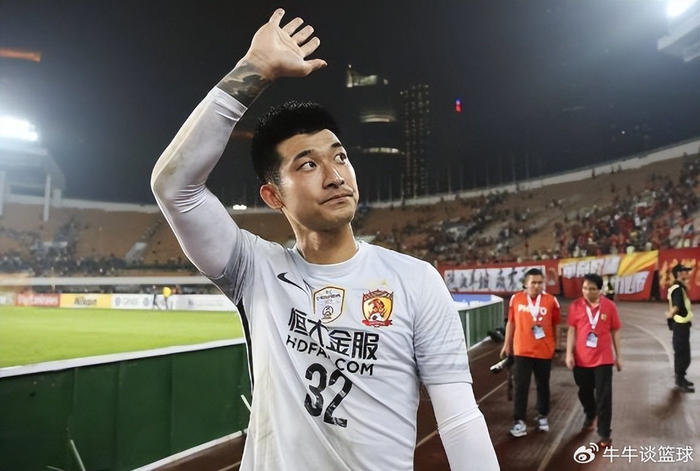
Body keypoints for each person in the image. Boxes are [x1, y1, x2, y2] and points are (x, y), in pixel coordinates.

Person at [151, 9, 499, 471]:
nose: (335, 176)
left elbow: (458, 421)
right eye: (308, 165)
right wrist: (253, 69)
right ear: (273, 195)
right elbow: (173, 187)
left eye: (341, 157)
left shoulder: (416, 281)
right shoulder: (255, 271)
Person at [500, 268, 560, 437]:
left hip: (544, 351)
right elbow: (511, 322)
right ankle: (519, 421)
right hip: (521, 350)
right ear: (526, 284)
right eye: (533, 282)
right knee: (521, 387)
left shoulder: (551, 300)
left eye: (540, 282)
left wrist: (555, 345)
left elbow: (556, 324)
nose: (536, 285)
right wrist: (507, 344)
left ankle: (542, 416)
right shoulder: (516, 299)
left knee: (543, 385)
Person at [565, 273, 622, 448]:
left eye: (591, 289)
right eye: (584, 288)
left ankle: (604, 432)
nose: (587, 292)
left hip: (603, 358)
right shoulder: (575, 306)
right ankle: (590, 413)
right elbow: (572, 330)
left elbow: (615, 331)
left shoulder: (609, 306)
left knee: (604, 396)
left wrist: (618, 356)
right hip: (581, 358)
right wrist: (569, 354)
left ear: (599, 290)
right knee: (584, 391)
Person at [666, 264, 694, 393]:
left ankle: (681, 377)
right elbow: (677, 306)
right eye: (685, 271)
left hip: (682, 324)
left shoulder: (679, 288)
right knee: (682, 352)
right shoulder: (677, 289)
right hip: (680, 325)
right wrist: (670, 314)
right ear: (678, 273)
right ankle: (680, 380)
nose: (687, 273)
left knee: (683, 352)